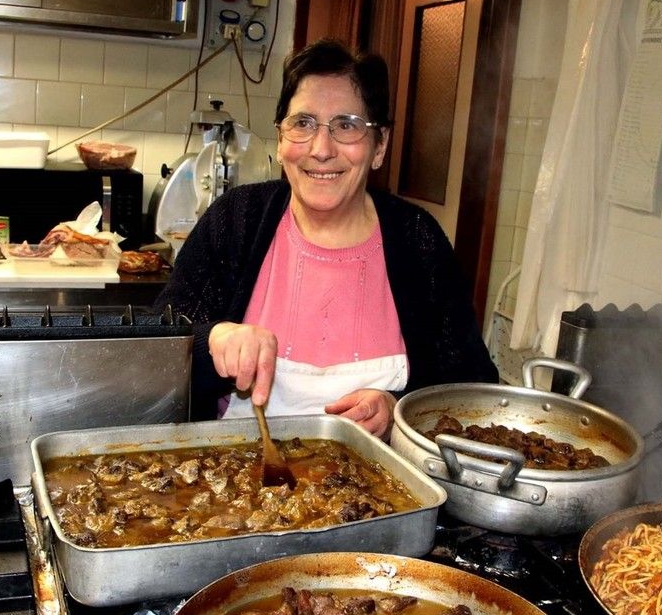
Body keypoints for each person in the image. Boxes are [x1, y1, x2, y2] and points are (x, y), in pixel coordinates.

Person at [153, 39, 498, 437]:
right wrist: (211, 339)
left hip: (379, 477)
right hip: (228, 469)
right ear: (280, 139)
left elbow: (471, 390)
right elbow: (153, 351)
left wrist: (399, 410)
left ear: (380, 145)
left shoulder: (418, 240)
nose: (321, 149)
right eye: (302, 123)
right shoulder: (235, 220)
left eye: (346, 125)